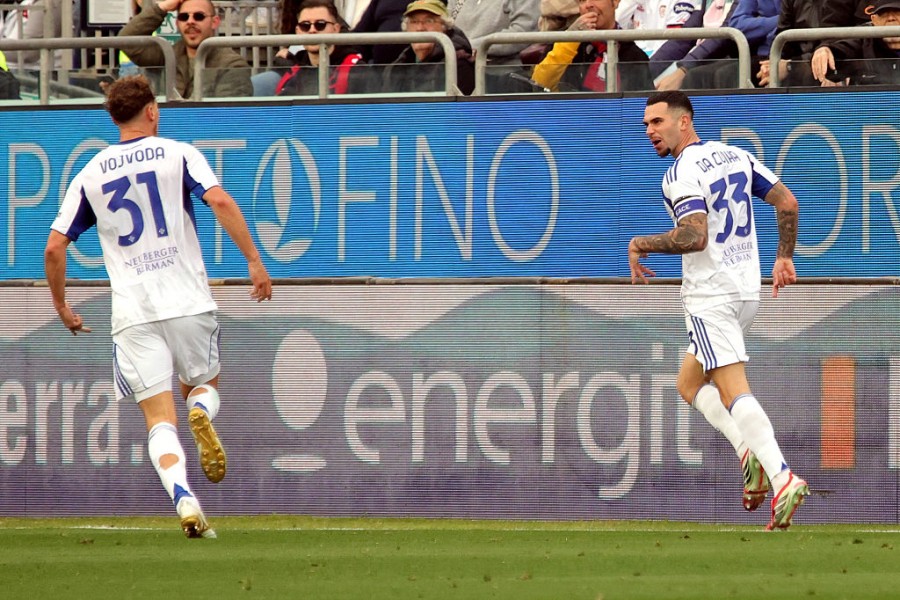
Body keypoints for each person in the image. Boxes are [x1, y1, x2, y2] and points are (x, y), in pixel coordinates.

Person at [44, 75, 272, 538]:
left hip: (133, 312)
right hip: (186, 299)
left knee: (158, 420)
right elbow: (218, 199)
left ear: (115, 118)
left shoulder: (91, 173)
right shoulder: (178, 153)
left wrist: (62, 305)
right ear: (151, 110)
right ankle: (202, 411)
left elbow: (54, 247)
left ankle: (184, 499)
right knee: (202, 386)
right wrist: (253, 259)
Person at [630, 91, 808, 530]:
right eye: (646, 125)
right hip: (746, 289)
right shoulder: (735, 155)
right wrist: (784, 257)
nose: (650, 131)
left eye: (657, 122)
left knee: (732, 390)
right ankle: (748, 453)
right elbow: (787, 202)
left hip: (711, 295)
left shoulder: (681, 172)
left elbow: (694, 237)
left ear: (684, 121)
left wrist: (640, 243)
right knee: (689, 383)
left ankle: (782, 476)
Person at [117, 0, 253, 99]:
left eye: (199, 16)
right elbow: (126, 40)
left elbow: (228, 117)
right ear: (177, 23)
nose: (190, 21)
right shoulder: (167, 55)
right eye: (184, 17)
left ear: (215, 22)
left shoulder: (232, 64)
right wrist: (162, 8)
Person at [531, 0, 653, 92]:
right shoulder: (562, 42)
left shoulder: (634, 55)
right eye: (582, 0)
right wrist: (571, 38)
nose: (588, 4)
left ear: (615, 2)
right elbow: (540, 84)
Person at [276, 0, 370, 95]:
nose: (312, 30)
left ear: (336, 29)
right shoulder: (293, 72)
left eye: (320, 24)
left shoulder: (357, 70)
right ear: (297, 31)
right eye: (305, 26)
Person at [381, 0, 475, 94]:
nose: (420, 28)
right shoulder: (395, 69)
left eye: (429, 21)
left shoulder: (457, 65)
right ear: (406, 28)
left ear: (445, 27)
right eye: (414, 21)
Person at [448, 0, 541, 92]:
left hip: (504, 73)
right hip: (454, 70)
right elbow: (446, 24)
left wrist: (471, 47)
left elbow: (523, 31)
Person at [812, 0, 900, 86]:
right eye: (884, 14)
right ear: (874, 20)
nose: (891, 18)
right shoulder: (864, 39)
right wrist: (827, 49)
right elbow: (843, 49)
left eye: (897, 12)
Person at [757, 0, 822, 87]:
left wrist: (789, 66)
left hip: (827, 64)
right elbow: (782, 38)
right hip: (799, 64)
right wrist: (772, 66)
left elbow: (834, 44)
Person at [810, 0, 870, 84]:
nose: (889, 18)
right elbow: (832, 29)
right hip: (855, 62)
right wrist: (828, 49)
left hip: (881, 60)